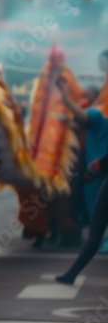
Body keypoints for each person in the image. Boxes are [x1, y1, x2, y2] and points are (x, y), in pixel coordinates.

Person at [55, 74, 108, 284]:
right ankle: (71, 274)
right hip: (98, 177)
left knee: (95, 229)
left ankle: (71, 275)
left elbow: (79, 115)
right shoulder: (98, 116)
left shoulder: (97, 116)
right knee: (95, 230)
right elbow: (79, 115)